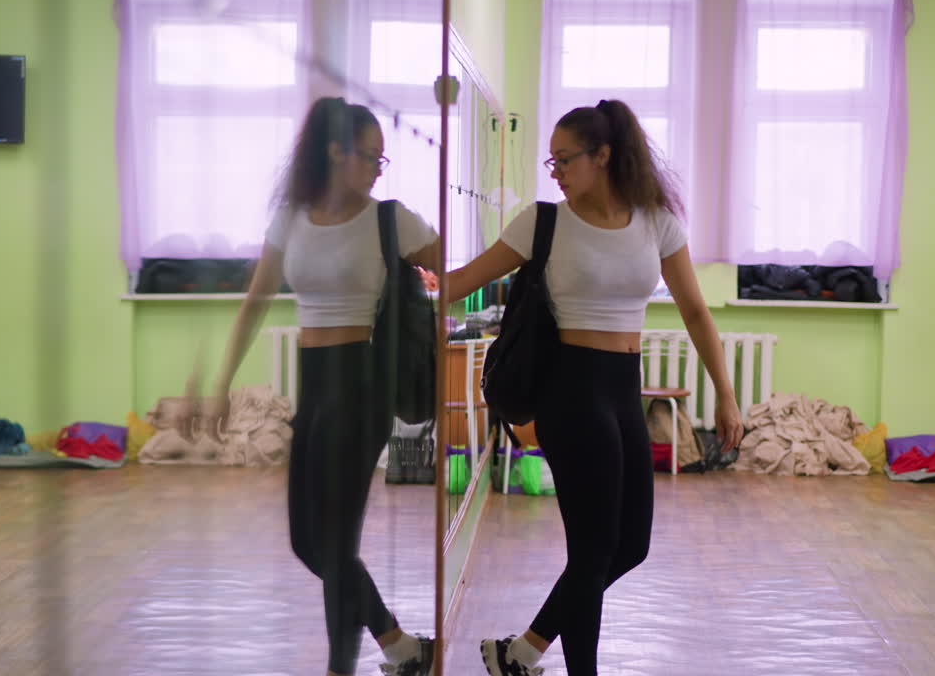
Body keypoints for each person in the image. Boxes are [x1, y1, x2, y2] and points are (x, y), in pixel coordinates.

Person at [444, 99, 745, 676]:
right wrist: (417, 281)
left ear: (603, 156)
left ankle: (522, 653)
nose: (553, 170)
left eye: (564, 158)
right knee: (592, 550)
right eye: (550, 160)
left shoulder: (656, 220)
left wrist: (725, 393)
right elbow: (463, 283)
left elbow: (697, 314)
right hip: (570, 390)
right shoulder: (542, 221)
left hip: (621, 389)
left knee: (630, 546)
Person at [196, 97, 441, 676]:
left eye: (384, 161)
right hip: (315, 385)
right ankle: (400, 646)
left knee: (334, 541)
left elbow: (458, 273)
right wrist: (220, 384)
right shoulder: (292, 216)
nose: (379, 170)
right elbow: (255, 300)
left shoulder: (391, 219)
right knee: (310, 543)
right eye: (370, 157)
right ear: (335, 152)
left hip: (363, 382)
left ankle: (345, 665)